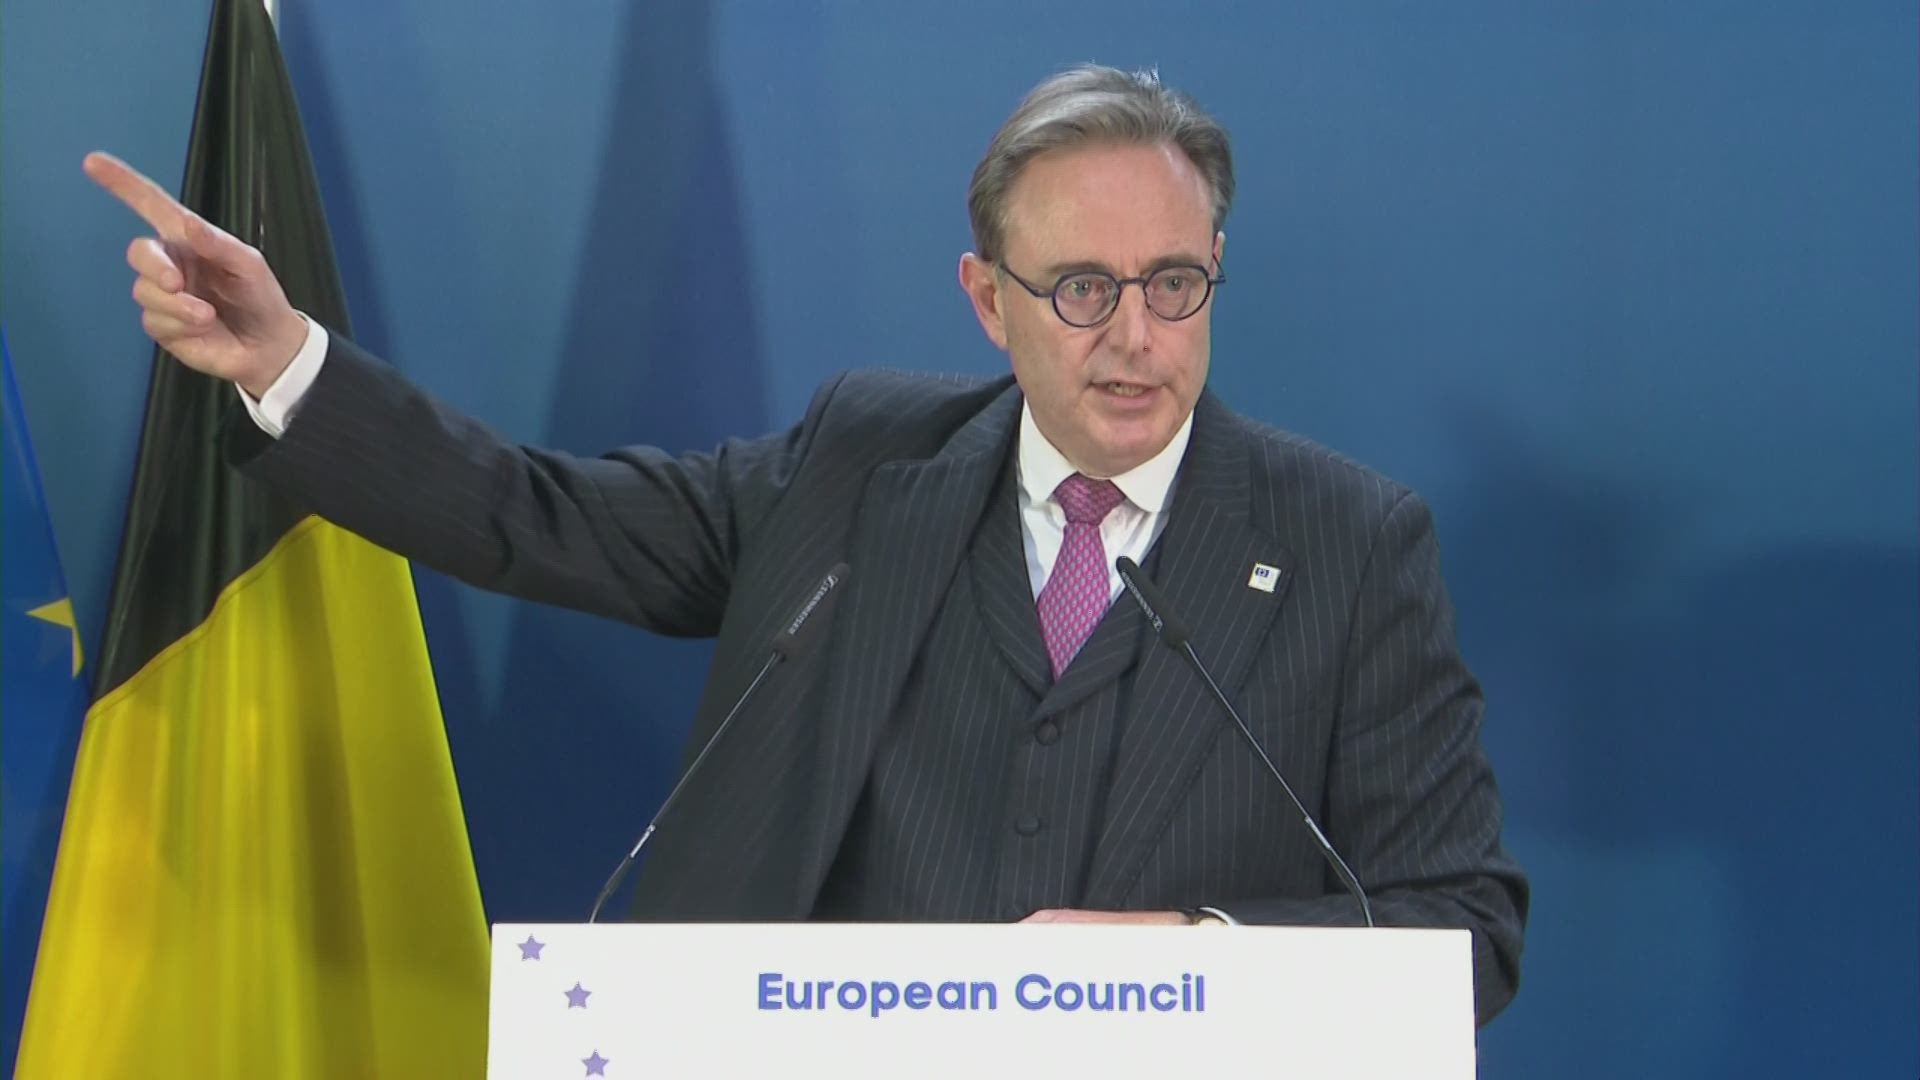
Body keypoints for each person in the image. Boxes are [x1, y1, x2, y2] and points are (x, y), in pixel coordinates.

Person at [87, 65, 1528, 1021]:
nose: (1136, 337)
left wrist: (1196, 956)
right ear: (989, 300)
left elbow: (1462, 929)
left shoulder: (1348, 544)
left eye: (1173, 283)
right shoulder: (859, 466)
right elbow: (537, 517)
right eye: (1082, 288)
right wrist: (288, 364)